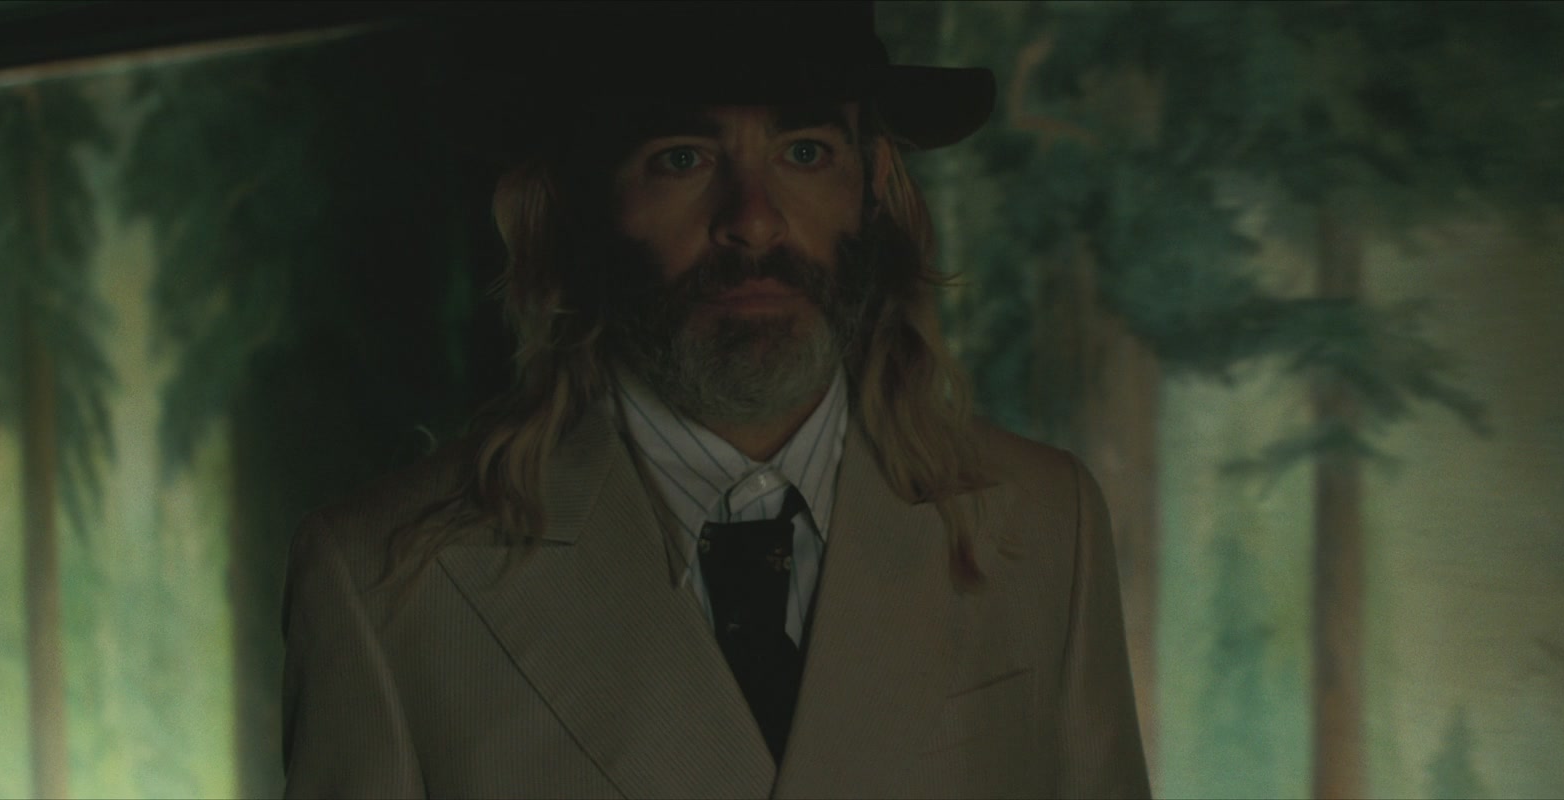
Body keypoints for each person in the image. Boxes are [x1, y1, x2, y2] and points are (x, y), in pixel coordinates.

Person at [280, 2, 1150, 797]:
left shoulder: (1045, 525)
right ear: (580, 202)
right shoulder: (387, 585)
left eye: (804, 152)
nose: (754, 220)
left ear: (876, 184)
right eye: (681, 158)